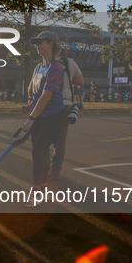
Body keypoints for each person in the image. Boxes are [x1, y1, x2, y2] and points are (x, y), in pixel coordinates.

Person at [20, 31, 65, 206]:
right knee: (38, 153)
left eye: (41, 42)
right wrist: (30, 104)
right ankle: (43, 187)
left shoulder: (56, 68)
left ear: (51, 44)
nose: (37, 45)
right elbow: (35, 91)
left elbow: (46, 96)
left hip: (53, 117)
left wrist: (31, 117)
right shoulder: (39, 67)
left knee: (38, 151)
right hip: (40, 115)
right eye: (36, 42)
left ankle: (37, 190)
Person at [48, 49, 84, 180]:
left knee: (43, 139)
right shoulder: (69, 63)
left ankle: (43, 168)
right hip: (65, 105)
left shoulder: (44, 63)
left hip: (47, 105)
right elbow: (80, 81)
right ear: (59, 50)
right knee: (60, 141)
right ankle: (55, 170)